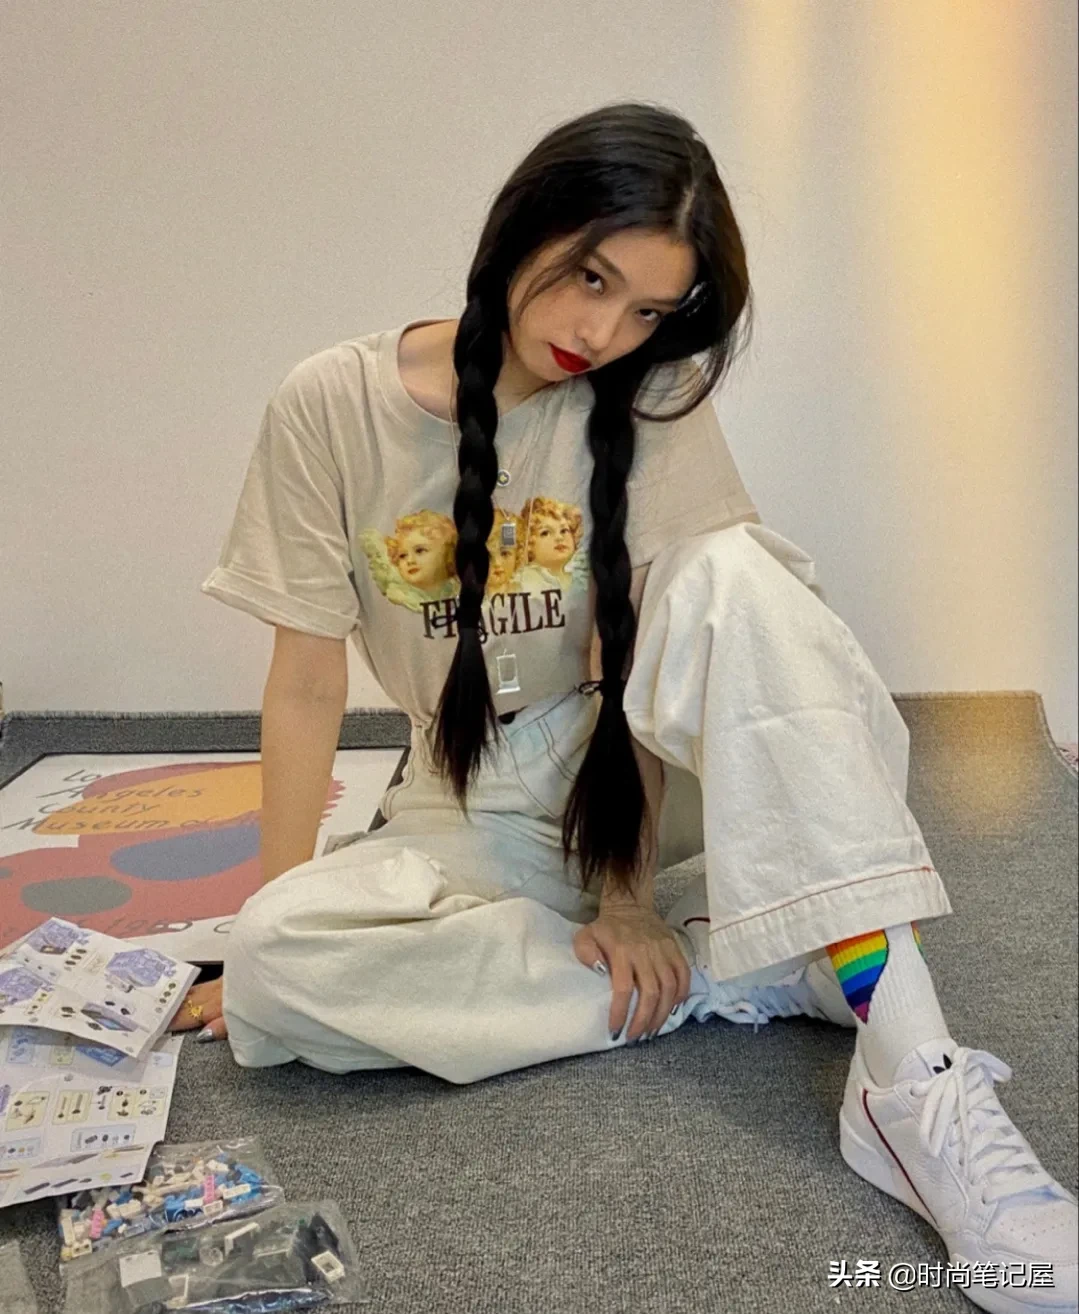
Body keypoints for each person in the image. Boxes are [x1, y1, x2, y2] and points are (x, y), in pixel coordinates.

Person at [176, 102, 1076, 1312]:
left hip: (660, 765)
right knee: (279, 967)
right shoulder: (329, 403)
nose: (601, 333)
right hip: (469, 793)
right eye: (591, 278)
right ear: (524, 224)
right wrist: (255, 932)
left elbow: (648, 659)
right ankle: (751, 960)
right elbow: (303, 683)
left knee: (733, 573)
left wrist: (624, 893)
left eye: (648, 310)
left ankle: (912, 1078)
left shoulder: (652, 393)